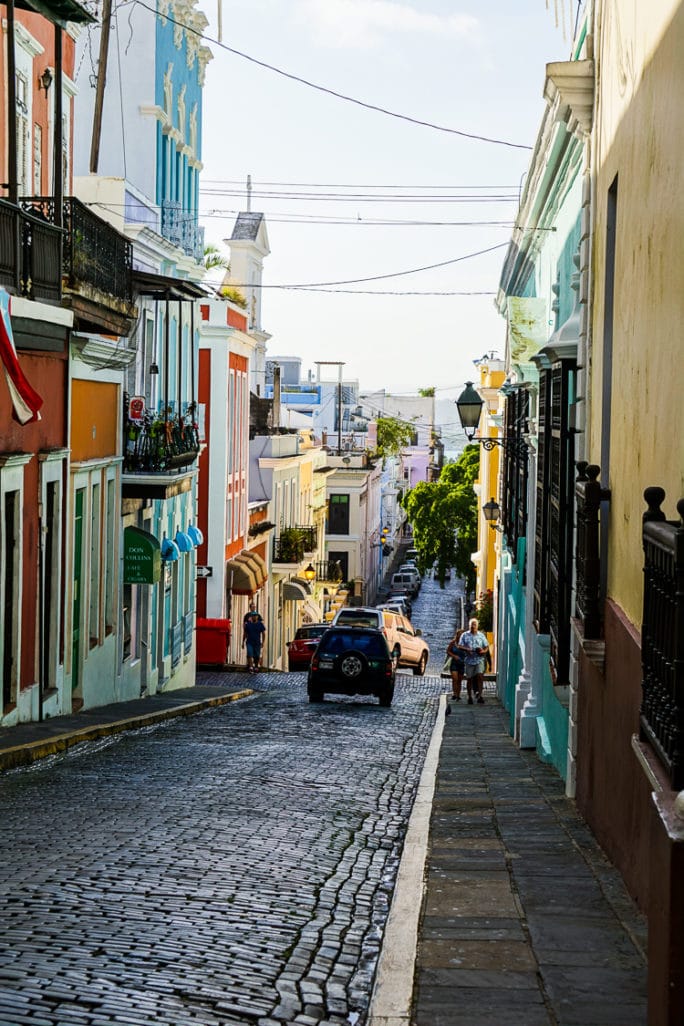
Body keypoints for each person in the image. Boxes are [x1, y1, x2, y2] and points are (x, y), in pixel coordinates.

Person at [460, 617, 489, 704]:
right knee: (469, 679)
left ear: (477, 626)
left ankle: (480, 695)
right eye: (471, 625)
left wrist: (483, 651)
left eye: (474, 625)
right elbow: (460, 645)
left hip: (479, 659)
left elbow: (486, 646)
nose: (473, 626)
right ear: (469, 626)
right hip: (469, 660)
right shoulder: (465, 635)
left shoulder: (481, 635)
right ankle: (469, 696)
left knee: (480, 676)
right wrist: (467, 649)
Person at [445, 630, 466, 701]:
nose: (460, 637)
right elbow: (448, 651)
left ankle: (458, 694)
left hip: (462, 663)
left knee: (459, 680)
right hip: (454, 663)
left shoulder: (465, 643)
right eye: (459, 635)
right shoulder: (453, 643)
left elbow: (468, 651)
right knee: (455, 679)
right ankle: (454, 694)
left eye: (461, 635)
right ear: (456, 636)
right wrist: (454, 656)